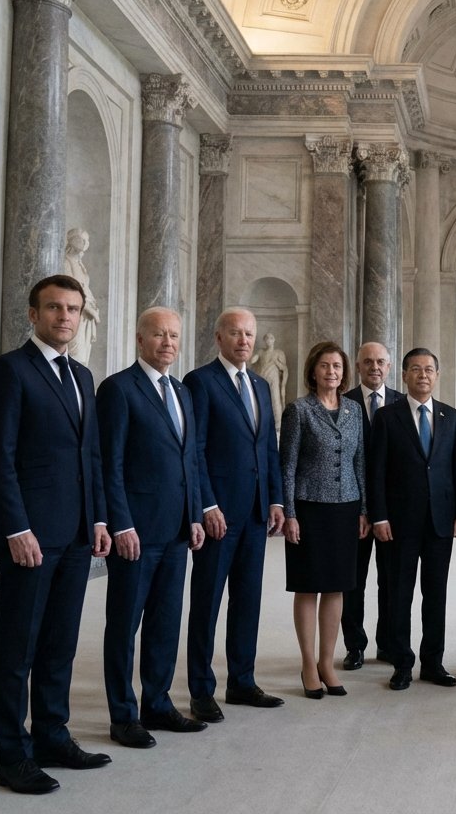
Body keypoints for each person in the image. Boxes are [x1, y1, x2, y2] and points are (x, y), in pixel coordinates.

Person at [0, 274, 112, 794]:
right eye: (54, 308)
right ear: (32, 315)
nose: (65, 317)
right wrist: (16, 527)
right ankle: (12, 755)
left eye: (73, 309)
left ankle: (52, 734)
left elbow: (91, 456)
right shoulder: (7, 371)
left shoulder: (81, 375)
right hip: (28, 536)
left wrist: (98, 519)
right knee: (17, 648)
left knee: (60, 643)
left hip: (77, 533)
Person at [98, 307, 207, 749]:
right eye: (159, 335)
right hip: (136, 533)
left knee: (165, 621)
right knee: (124, 625)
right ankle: (123, 715)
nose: (168, 343)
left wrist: (196, 513)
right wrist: (121, 522)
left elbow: (191, 459)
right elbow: (111, 463)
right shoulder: (118, 389)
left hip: (177, 528)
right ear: (140, 339)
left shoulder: (182, 392)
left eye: (174, 336)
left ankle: (157, 703)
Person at [183, 307, 286, 722]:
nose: (244, 340)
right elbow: (195, 450)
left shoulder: (261, 385)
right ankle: (200, 689)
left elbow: (268, 449)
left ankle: (242, 680)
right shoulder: (200, 382)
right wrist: (207, 504)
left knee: (248, 600)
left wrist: (277, 500)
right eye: (235, 333)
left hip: (257, 513)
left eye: (249, 334)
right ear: (218, 337)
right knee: (207, 601)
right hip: (219, 515)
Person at [367, 348, 456, 690]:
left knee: (435, 594)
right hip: (399, 523)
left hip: (441, 521)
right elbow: (376, 471)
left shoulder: (451, 417)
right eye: (415, 369)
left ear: (437, 376)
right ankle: (402, 663)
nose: (423, 375)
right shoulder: (387, 417)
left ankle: (433, 663)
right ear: (404, 375)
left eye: (428, 369)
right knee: (399, 595)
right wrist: (378, 516)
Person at [279, 342, 368, 698]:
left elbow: (359, 460)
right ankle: (307, 663)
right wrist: (289, 513)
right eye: (325, 366)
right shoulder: (298, 410)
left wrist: (364, 509)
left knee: (337, 586)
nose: (332, 371)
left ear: (344, 373)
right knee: (307, 585)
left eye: (337, 366)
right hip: (309, 507)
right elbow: (287, 465)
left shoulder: (354, 411)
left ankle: (327, 662)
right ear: (313, 371)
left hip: (346, 507)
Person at [340, 341, 403, 670]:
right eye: (368, 362)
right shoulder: (342, 401)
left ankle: (388, 643)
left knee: (390, 580)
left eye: (380, 362)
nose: (374, 367)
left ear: (389, 367)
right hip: (353, 510)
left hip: (392, 511)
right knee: (353, 581)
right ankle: (355, 645)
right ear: (358, 366)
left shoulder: (403, 403)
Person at [62, 228, 100, 367]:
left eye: (87, 240)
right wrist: (90, 310)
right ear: (72, 240)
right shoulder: (66, 262)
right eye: (81, 239)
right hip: (77, 312)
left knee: (82, 357)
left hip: (85, 315)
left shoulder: (79, 264)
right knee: (74, 354)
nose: (85, 243)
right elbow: (70, 292)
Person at [250, 332, 289, 433]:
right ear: (264, 341)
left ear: (274, 340)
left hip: (273, 377)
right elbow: (253, 360)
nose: (269, 340)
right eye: (266, 338)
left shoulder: (278, 352)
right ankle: (260, 422)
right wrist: (252, 358)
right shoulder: (261, 351)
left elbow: (283, 368)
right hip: (262, 376)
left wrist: (276, 363)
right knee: (260, 398)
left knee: (275, 398)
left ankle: (278, 423)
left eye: (271, 338)